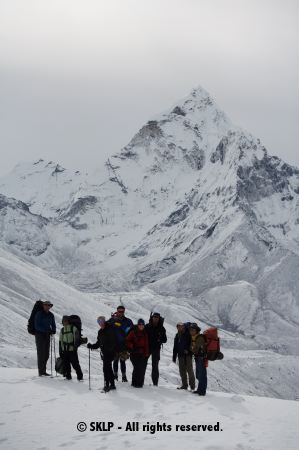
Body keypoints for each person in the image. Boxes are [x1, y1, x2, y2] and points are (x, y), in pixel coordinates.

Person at [87, 316, 117, 392]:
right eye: (99, 322)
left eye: (102, 321)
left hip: (110, 353)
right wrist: (91, 346)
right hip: (104, 353)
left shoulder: (110, 329)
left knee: (106, 369)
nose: (101, 323)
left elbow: (113, 342)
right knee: (108, 369)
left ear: (104, 321)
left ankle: (107, 385)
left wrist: (107, 349)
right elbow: (98, 343)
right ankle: (112, 385)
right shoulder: (100, 332)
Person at [108, 305, 133, 382]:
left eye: (122, 311)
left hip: (124, 344)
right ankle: (115, 376)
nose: (121, 313)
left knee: (122, 361)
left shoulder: (128, 321)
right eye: (119, 311)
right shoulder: (112, 320)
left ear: (124, 311)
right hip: (114, 344)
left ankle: (123, 376)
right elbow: (106, 327)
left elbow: (132, 332)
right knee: (115, 360)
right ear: (117, 311)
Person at [34, 300, 56, 376]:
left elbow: (53, 324)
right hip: (39, 335)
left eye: (48, 305)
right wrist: (46, 331)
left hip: (47, 335)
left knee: (46, 354)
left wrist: (53, 330)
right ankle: (41, 372)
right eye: (46, 305)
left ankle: (43, 371)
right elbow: (37, 326)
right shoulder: (39, 314)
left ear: (50, 306)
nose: (47, 306)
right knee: (41, 354)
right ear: (43, 306)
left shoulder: (51, 315)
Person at [126, 319, 149, 388]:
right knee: (137, 368)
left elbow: (146, 344)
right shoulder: (133, 332)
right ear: (138, 325)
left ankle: (139, 383)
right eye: (140, 324)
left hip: (141, 354)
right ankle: (134, 383)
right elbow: (127, 340)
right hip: (134, 353)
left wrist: (146, 353)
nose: (141, 326)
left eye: (142, 325)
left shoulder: (145, 333)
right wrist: (132, 345)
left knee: (140, 368)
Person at [145, 312, 167, 386]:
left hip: (156, 349)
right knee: (143, 364)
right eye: (154, 317)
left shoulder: (162, 328)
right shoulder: (147, 326)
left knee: (155, 366)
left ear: (159, 319)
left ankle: (155, 383)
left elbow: (165, 340)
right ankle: (141, 380)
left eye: (157, 318)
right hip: (147, 347)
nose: (155, 319)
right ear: (152, 318)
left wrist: (159, 340)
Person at [59, 316, 83, 381]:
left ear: (68, 321)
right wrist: (60, 350)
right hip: (65, 350)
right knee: (66, 364)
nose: (64, 322)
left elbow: (76, 339)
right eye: (63, 321)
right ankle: (68, 376)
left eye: (65, 321)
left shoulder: (73, 328)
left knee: (75, 364)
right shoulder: (62, 330)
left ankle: (80, 376)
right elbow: (60, 341)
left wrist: (75, 348)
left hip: (72, 350)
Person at [173, 322, 195, 391]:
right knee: (182, 371)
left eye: (181, 326)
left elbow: (191, 343)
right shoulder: (177, 335)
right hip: (180, 355)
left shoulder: (188, 334)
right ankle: (184, 385)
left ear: (183, 327)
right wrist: (174, 355)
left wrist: (189, 350)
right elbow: (175, 346)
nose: (180, 328)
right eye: (178, 327)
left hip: (187, 355)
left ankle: (192, 386)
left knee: (189, 370)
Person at [189, 323, 207, 396]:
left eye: (193, 330)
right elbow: (192, 347)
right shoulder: (193, 337)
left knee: (202, 374)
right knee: (199, 375)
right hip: (198, 358)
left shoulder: (199, 338)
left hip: (201, 358)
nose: (191, 331)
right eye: (190, 330)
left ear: (196, 331)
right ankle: (200, 389)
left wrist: (191, 350)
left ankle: (202, 391)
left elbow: (196, 349)